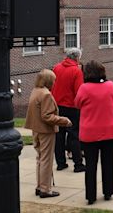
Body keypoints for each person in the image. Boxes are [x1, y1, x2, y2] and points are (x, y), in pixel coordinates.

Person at [74, 61, 113, 205]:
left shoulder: (84, 88)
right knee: (108, 162)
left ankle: (91, 196)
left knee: (90, 165)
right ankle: (108, 191)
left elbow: (77, 104)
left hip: (90, 132)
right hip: (110, 130)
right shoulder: (111, 85)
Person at [25, 69, 72, 198]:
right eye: (54, 80)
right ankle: (45, 189)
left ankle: (40, 186)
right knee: (46, 159)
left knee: (40, 159)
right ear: (48, 81)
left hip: (36, 129)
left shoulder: (35, 91)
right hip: (45, 131)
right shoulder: (46, 94)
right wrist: (64, 121)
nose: (55, 83)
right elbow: (47, 116)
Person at [51, 48, 86, 172]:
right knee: (74, 135)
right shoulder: (76, 71)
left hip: (57, 107)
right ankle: (78, 164)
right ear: (77, 58)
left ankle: (61, 163)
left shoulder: (56, 68)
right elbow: (79, 91)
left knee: (59, 136)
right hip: (71, 107)